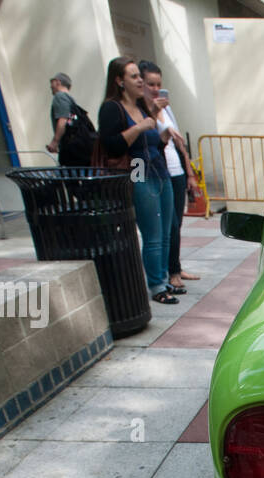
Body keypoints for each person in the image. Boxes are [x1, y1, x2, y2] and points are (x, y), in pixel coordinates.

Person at [97, 57, 179, 304]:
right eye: (134, 76)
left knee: (166, 229)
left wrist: (160, 129)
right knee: (152, 231)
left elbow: (153, 139)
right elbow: (112, 145)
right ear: (119, 81)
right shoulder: (112, 108)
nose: (140, 80)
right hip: (137, 168)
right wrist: (142, 126)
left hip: (158, 167)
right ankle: (156, 285)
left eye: (139, 76)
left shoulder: (144, 106)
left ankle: (163, 278)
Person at [139, 60, 202, 290]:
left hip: (170, 171)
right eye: (149, 84)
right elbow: (144, 145)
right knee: (161, 230)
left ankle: (171, 270)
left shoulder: (164, 109)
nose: (155, 89)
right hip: (149, 173)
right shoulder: (139, 112)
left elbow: (174, 142)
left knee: (173, 226)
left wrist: (189, 173)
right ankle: (162, 279)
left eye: (158, 84)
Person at [46, 73, 76, 159]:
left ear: (58, 82)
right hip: (76, 147)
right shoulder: (71, 99)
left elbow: (63, 119)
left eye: (52, 82)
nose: (50, 86)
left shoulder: (60, 96)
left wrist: (55, 142)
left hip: (69, 149)